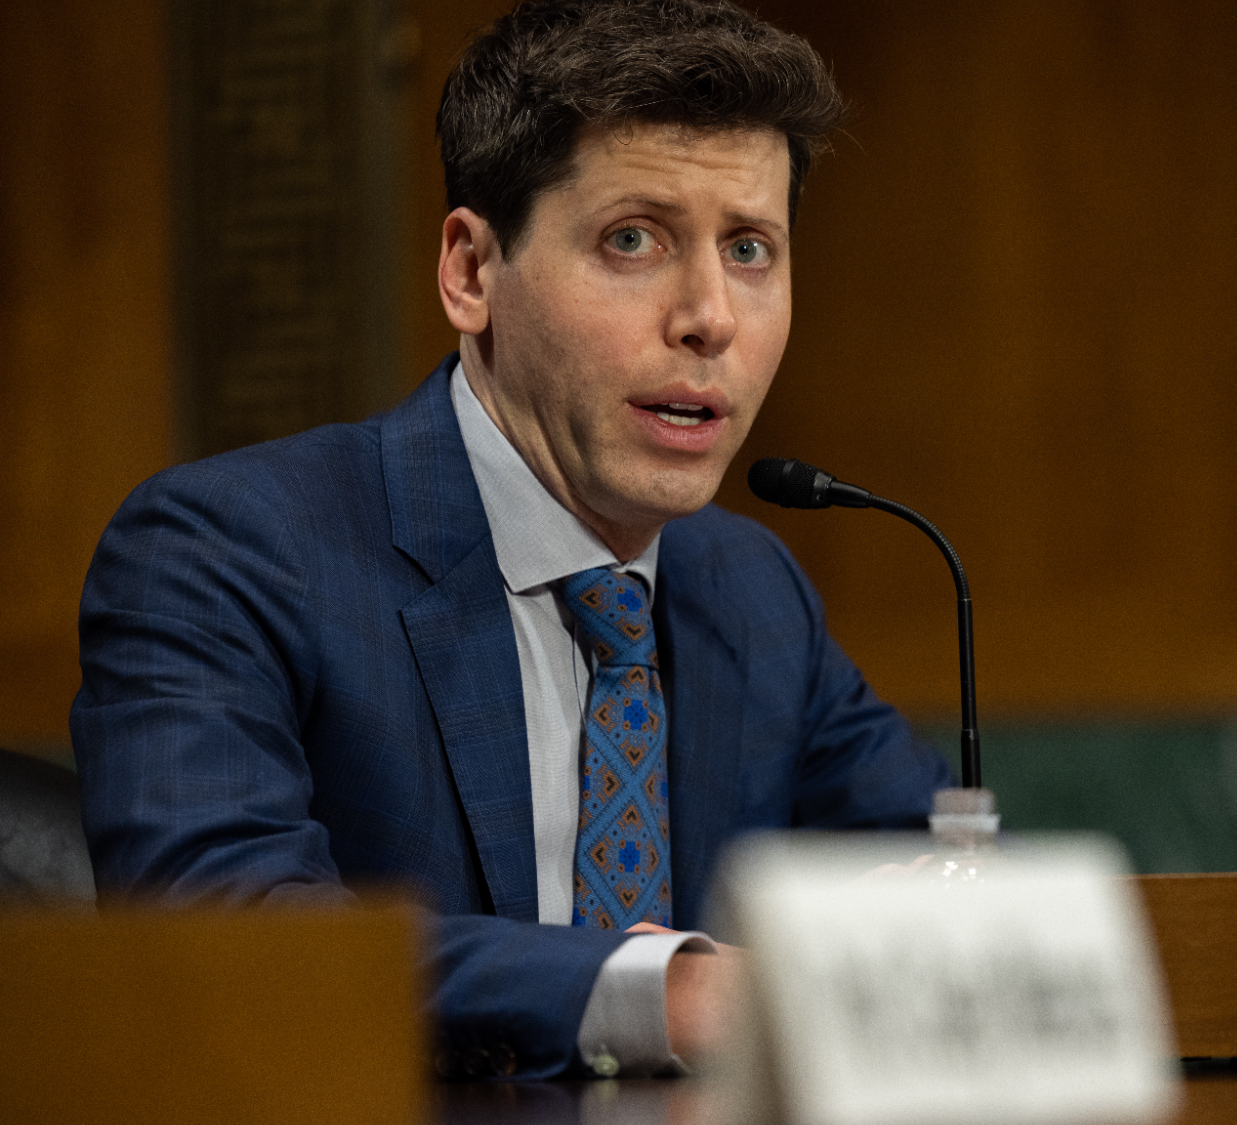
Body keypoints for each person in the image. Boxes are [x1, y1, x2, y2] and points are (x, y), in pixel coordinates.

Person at [70, 0, 949, 1081]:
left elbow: (933, 879)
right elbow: (228, 940)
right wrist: (664, 994)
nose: (709, 316)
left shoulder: (749, 587)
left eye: (750, 249)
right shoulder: (227, 552)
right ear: (471, 273)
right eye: (634, 239)